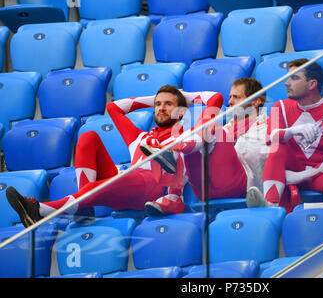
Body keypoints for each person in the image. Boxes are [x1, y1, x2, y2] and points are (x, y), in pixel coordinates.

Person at [6, 85, 224, 227]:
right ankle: (85, 206)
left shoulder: (187, 135)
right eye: (158, 105)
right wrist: (157, 97)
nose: (161, 108)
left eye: (168, 105)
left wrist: (183, 97)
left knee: (109, 183)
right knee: (88, 137)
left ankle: (41, 211)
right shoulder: (140, 138)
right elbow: (114, 108)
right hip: (129, 182)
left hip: (152, 187)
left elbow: (215, 98)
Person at [142, 77, 270, 214]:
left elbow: (257, 162)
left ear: (256, 102)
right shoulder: (227, 128)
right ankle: (174, 194)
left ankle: (174, 151)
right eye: (230, 97)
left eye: (236, 97)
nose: (230, 102)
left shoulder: (265, 129)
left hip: (241, 187)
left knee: (210, 127)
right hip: (205, 191)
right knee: (198, 137)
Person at [246, 58, 323, 212]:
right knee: (277, 147)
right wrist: (292, 131)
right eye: (287, 78)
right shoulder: (280, 106)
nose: (286, 83)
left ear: (312, 84)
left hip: (321, 174)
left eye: (294, 78)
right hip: (292, 170)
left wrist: (303, 175)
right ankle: (270, 206)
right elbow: (271, 138)